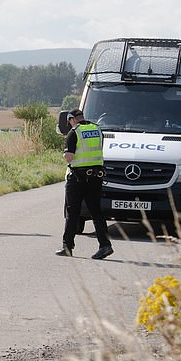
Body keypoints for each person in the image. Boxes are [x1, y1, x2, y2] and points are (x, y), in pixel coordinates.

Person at [56, 108, 113, 260]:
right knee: (96, 212)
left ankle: (67, 247)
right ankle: (105, 245)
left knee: (72, 212)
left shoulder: (74, 132)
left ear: (71, 119)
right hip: (96, 177)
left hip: (77, 178)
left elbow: (69, 157)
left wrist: (65, 153)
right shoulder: (97, 130)